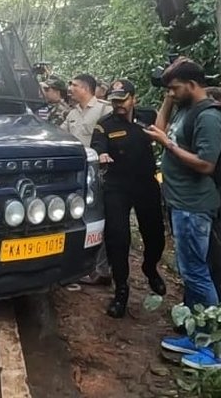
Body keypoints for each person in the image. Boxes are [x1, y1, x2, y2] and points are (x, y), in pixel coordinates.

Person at [145, 59, 221, 369]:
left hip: (194, 207)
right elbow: (158, 131)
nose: (172, 94)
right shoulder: (184, 107)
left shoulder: (208, 117)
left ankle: (213, 349)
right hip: (180, 205)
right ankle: (194, 334)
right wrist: (168, 97)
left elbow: (206, 164)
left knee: (198, 276)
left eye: (175, 88)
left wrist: (169, 146)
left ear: (192, 85)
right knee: (189, 273)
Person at [91, 79, 166, 318]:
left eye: (123, 100)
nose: (118, 105)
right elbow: (98, 145)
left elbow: (164, 133)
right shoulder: (104, 125)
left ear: (134, 98)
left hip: (146, 184)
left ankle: (150, 267)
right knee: (118, 238)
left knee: (155, 235)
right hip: (117, 187)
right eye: (114, 100)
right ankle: (121, 291)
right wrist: (102, 154)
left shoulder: (149, 116)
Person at [62, 74, 113, 284]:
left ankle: (103, 270)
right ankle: (82, 266)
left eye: (73, 85)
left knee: (103, 218)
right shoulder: (72, 113)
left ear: (84, 88)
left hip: (101, 174)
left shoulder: (104, 109)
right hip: (77, 176)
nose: (70, 88)